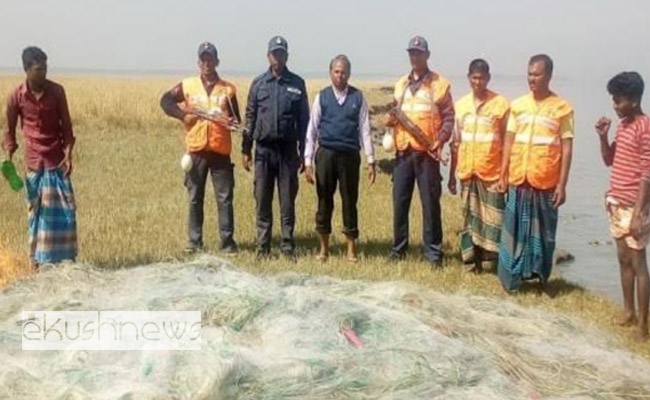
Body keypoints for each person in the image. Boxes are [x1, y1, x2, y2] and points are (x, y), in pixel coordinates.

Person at [498, 54, 574, 292]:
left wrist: (562, 185)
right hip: (519, 179)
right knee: (514, 232)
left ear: (548, 75)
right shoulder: (518, 106)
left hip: (545, 180)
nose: (532, 79)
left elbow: (567, 149)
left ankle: (540, 277)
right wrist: (503, 175)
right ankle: (511, 279)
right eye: (529, 74)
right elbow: (508, 143)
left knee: (543, 235)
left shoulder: (562, 109)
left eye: (537, 74)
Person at [160, 42, 240, 254]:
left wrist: (227, 121)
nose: (206, 63)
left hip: (220, 150)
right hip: (196, 150)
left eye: (210, 59)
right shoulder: (187, 86)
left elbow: (236, 121)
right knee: (195, 197)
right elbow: (165, 101)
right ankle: (194, 242)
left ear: (217, 62)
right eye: (203, 59)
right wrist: (183, 116)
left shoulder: (228, 90)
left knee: (224, 198)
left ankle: (227, 242)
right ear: (198, 62)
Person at [2, 46, 78, 269]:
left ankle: (67, 261)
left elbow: (67, 126)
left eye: (45, 68)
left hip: (57, 160)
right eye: (38, 69)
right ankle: (35, 262)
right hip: (34, 161)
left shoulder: (57, 92)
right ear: (26, 70)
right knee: (36, 213)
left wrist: (69, 155)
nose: (43, 73)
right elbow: (9, 129)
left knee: (66, 211)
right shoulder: (16, 96)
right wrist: (9, 156)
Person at [386, 36, 455, 268]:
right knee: (400, 202)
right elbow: (395, 114)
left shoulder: (440, 84)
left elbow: (449, 118)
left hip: (427, 154)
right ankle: (398, 249)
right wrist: (389, 121)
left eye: (419, 53)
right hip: (403, 153)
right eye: (411, 53)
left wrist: (441, 140)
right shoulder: (400, 85)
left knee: (430, 205)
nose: (415, 57)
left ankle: (433, 253)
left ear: (427, 55)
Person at [241, 36, 310, 259]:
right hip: (263, 151)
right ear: (268, 56)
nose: (277, 57)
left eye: (281, 53)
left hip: (288, 152)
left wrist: (304, 154)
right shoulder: (258, 84)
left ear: (287, 56)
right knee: (262, 199)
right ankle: (263, 247)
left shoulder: (297, 84)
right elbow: (250, 117)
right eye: (274, 53)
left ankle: (287, 246)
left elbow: (304, 121)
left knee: (287, 201)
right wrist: (245, 149)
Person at [304, 55, 376, 262]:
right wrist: (308, 161)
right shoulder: (322, 97)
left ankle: (351, 250)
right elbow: (312, 129)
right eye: (336, 71)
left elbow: (365, 130)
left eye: (343, 71)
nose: (339, 75)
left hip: (350, 156)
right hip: (326, 154)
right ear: (330, 73)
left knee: (349, 201)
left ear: (349, 74)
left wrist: (371, 160)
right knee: (324, 201)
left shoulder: (358, 97)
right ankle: (324, 249)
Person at [595, 71, 650, 342]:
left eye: (619, 100)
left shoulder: (644, 127)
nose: (615, 105)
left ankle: (643, 325)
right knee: (622, 258)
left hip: (634, 206)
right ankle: (628, 311)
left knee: (639, 263)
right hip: (616, 201)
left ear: (636, 99)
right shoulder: (623, 125)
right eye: (613, 100)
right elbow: (609, 160)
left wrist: (639, 212)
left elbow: (647, 173)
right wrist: (603, 136)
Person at [448, 59, 509, 273]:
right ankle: (472, 262)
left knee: (492, 219)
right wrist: (451, 176)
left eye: (481, 77)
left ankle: (491, 262)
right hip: (467, 172)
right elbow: (455, 143)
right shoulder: (461, 105)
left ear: (488, 78)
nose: (478, 81)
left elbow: (507, 142)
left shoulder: (500, 104)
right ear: (468, 78)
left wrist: (505, 175)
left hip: (491, 173)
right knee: (470, 219)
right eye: (474, 77)